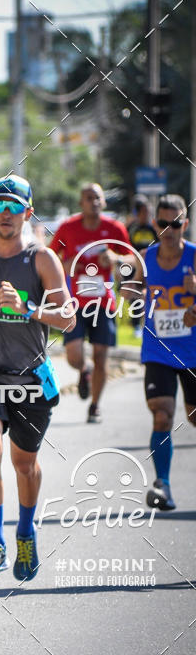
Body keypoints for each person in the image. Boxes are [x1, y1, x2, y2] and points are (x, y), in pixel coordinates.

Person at [0, 174, 75, 581]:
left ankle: (25, 530)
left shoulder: (42, 259)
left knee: (25, 464)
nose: (5, 214)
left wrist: (28, 308)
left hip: (27, 373)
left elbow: (68, 317)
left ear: (28, 211)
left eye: (13, 207)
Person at [131, 194, 196, 510]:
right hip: (158, 350)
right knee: (162, 414)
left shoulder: (195, 258)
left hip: (193, 352)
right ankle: (163, 485)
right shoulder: (146, 258)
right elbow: (131, 295)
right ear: (154, 224)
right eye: (162, 223)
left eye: (175, 223)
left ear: (185, 224)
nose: (168, 230)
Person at [51, 183, 132, 423]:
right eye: (89, 198)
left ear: (103, 202)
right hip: (74, 302)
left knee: (101, 356)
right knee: (74, 355)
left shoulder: (114, 228)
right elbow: (49, 257)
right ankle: (83, 371)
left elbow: (132, 257)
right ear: (81, 203)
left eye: (97, 198)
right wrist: (66, 266)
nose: (94, 202)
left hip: (103, 302)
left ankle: (95, 405)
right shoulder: (68, 228)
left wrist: (116, 258)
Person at [126, 195, 158, 338]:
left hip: (151, 266)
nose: (147, 215)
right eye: (144, 212)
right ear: (138, 213)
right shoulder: (131, 228)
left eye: (149, 212)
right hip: (134, 266)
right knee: (136, 297)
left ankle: (150, 323)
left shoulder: (154, 228)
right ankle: (136, 325)